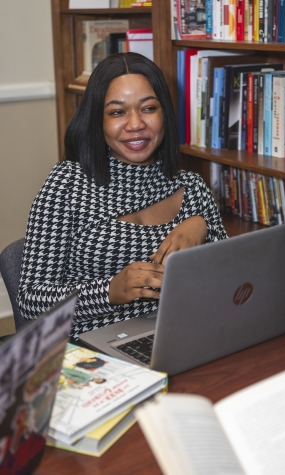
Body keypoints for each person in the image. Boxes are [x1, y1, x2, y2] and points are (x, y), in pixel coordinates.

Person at [17, 52, 228, 342]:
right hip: (91, 347)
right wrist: (109, 292)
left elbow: (229, 280)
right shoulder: (67, 184)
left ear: (164, 113)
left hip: (178, 333)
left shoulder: (192, 188)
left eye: (148, 108)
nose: (135, 124)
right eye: (117, 112)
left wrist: (203, 226)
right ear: (98, 120)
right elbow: (31, 299)